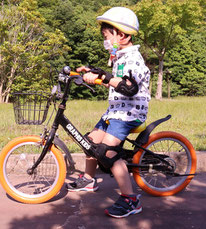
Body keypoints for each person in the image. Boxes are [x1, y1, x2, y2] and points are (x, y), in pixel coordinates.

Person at [66, 7, 151, 218]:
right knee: (89, 143)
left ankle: (130, 200)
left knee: (108, 153)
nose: (105, 40)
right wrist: (92, 73)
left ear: (122, 35)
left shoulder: (133, 59)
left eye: (107, 36)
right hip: (115, 111)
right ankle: (88, 180)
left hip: (129, 113)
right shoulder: (120, 56)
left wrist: (103, 78)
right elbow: (112, 78)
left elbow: (129, 87)